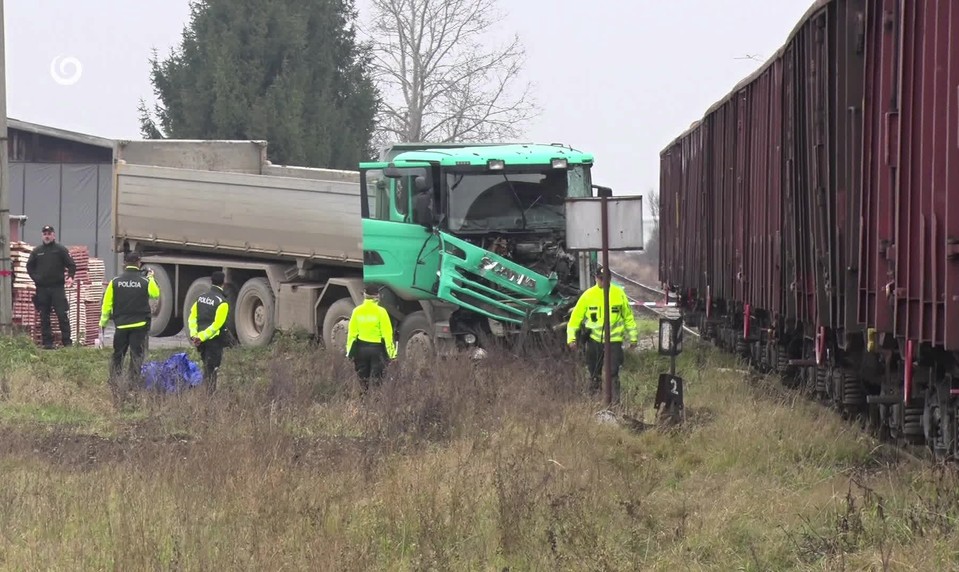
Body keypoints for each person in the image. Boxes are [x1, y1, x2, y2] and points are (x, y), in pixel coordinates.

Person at [566, 265, 638, 404]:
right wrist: (571, 339)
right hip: (594, 341)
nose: (603, 282)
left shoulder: (619, 294)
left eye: (606, 279)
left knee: (613, 374)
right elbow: (574, 320)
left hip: (614, 341)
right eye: (600, 279)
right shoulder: (588, 295)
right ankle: (594, 402)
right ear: (595, 278)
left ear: (610, 278)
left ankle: (615, 404)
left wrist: (633, 338)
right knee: (594, 374)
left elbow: (628, 317)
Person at [99, 251, 160, 397]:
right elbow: (155, 294)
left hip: (121, 325)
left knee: (118, 354)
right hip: (139, 325)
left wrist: (103, 323)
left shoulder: (115, 282)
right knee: (136, 355)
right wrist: (151, 277)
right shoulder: (145, 281)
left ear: (124, 263)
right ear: (139, 263)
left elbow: (107, 305)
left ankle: (115, 382)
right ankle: (133, 385)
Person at [25, 224, 77, 349]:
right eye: (45, 234)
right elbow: (29, 267)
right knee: (44, 316)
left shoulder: (60, 250)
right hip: (42, 289)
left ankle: (67, 343)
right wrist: (36, 278)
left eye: (49, 234)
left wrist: (70, 277)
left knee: (62, 315)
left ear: (53, 235)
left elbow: (71, 265)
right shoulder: (37, 252)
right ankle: (47, 343)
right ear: (42, 236)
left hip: (57, 288)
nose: (47, 236)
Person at [346, 284, 397, 390]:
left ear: (365, 296)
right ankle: (375, 403)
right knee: (377, 381)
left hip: (361, 350)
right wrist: (392, 355)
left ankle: (363, 402)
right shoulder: (381, 312)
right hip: (377, 350)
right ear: (377, 297)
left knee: (363, 381)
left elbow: (352, 335)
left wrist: (349, 353)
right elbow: (387, 335)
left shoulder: (357, 311)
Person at [188, 271, 230, 393]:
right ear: (224, 283)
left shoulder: (200, 298)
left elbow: (192, 317)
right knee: (212, 369)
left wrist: (194, 335)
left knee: (206, 366)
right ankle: (209, 396)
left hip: (200, 341)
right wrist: (202, 337)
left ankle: (204, 393)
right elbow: (217, 325)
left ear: (211, 281)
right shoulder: (222, 302)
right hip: (213, 341)